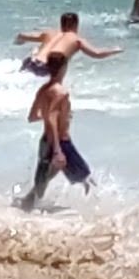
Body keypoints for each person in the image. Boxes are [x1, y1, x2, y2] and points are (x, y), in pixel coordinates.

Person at [20, 52, 91, 211]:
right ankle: (93, 214)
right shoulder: (61, 92)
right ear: (63, 69)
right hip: (61, 142)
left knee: (42, 181)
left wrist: (60, 116)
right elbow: (52, 116)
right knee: (86, 179)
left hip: (46, 140)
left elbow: (32, 117)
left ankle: (27, 209)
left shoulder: (43, 90)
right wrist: (58, 149)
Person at [14, 12, 122, 76]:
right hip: (45, 69)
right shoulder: (76, 39)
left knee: (36, 51)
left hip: (30, 63)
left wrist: (18, 41)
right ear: (76, 25)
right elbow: (96, 53)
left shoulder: (49, 33)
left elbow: (21, 35)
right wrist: (114, 50)